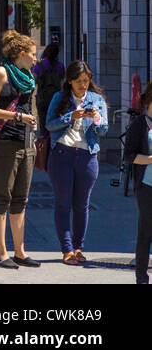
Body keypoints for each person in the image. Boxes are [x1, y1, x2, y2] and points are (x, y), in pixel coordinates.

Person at [0, 30, 40, 269]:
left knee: (21, 199)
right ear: (21, 53)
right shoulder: (1, 73)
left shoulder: (28, 76)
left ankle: (20, 251)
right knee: (2, 197)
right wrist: (17, 116)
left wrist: (33, 131)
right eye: (33, 55)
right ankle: (1, 253)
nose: (36, 59)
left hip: (26, 142)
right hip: (4, 142)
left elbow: (31, 108)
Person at [44, 60, 108, 265]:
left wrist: (97, 119)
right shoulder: (59, 98)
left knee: (82, 205)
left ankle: (78, 247)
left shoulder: (96, 99)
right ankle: (67, 250)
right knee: (63, 203)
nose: (83, 85)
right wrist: (69, 117)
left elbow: (103, 131)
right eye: (79, 81)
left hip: (87, 156)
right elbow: (49, 125)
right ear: (70, 81)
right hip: (62, 154)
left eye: (86, 81)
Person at [122, 81, 152, 284]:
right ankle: (141, 277)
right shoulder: (139, 124)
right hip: (146, 184)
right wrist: (150, 159)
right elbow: (129, 156)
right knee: (146, 230)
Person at [33, 42, 65, 140]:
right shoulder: (60, 66)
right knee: (55, 123)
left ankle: (44, 146)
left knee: (43, 124)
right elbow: (63, 82)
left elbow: (33, 81)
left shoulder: (39, 65)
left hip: (42, 99)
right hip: (56, 99)